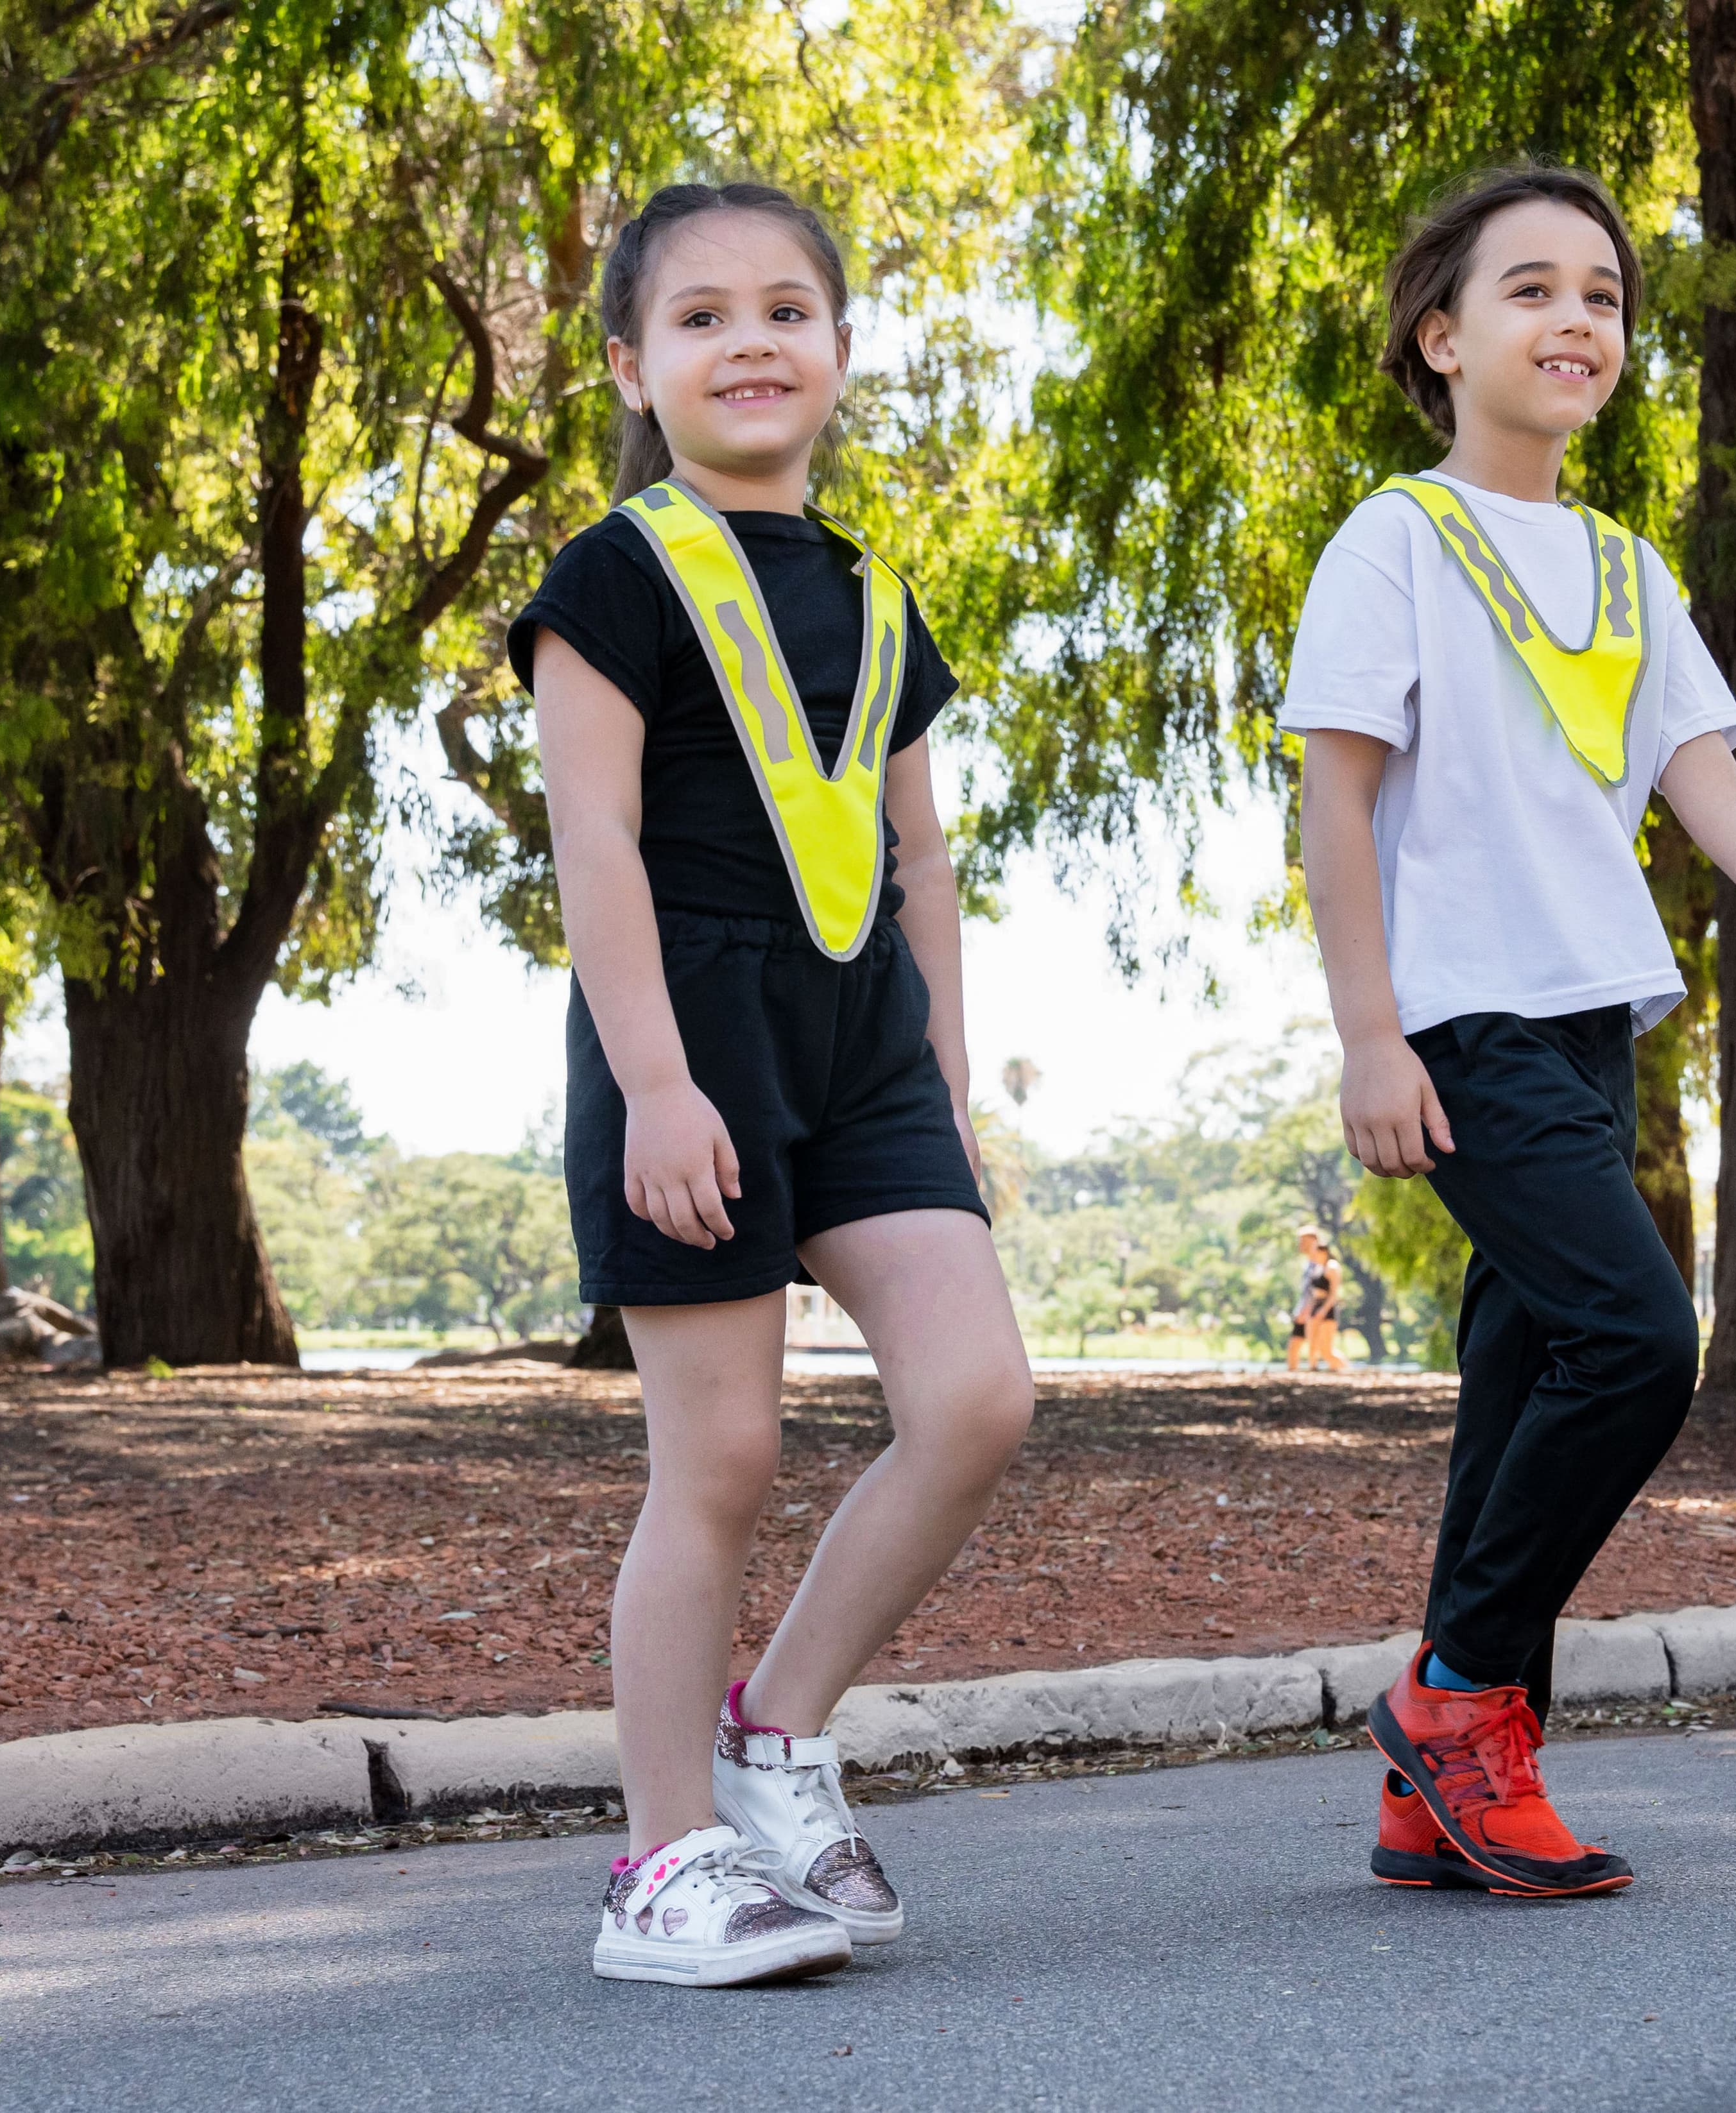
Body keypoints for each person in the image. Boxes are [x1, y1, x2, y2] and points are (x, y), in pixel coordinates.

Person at [1280, 164, 1736, 1899]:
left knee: (1522, 1373)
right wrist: (1371, 1035)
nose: (1575, 318)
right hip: (1464, 1024)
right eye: (1531, 290)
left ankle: (1432, 1785)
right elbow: (1335, 793)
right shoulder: (1398, 537)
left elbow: (1718, 802)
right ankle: (1460, 1701)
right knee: (1636, 1339)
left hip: (1591, 1023)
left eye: (1601, 293)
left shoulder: (1621, 566)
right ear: (1443, 338)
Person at [511, 182, 1033, 1987]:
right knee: (722, 1453)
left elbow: (921, 863)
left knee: (975, 1396)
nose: (752, 342)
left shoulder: (883, 593)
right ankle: (662, 1855)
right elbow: (592, 836)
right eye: (705, 316)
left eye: (789, 309)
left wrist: (949, 1089)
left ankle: (780, 1725)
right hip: (699, 1031)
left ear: (837, 348)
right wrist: (655, 1081)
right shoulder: (612, 575)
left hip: (867, 1042)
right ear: (633, 365)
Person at [1286, 1224, 1350, 1373]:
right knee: (1303, 1346)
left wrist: (1320, 1309)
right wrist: (1303, 1309)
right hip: (1310, 1309)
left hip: (1322, 1310)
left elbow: (1333, 1293)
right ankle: (1301, 1371)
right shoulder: (1313, 1265)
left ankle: (1346, 1370)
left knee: (1325, 1350)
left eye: (1303, 1240)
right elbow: (1309, 1292)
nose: (1300, 1244)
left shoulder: (1328, 1266)